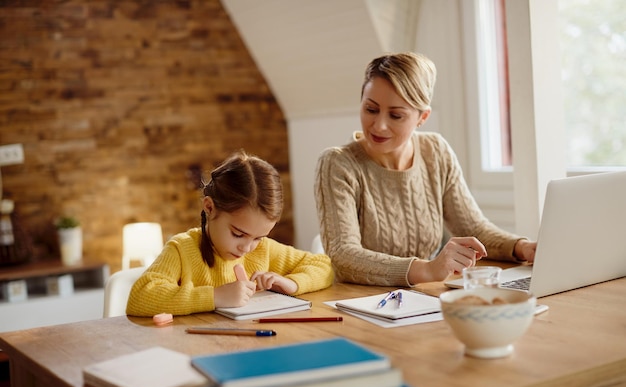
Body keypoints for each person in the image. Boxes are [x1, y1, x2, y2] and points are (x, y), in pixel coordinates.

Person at [314, 52, 536, 287]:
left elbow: (473, 229)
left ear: (422, 117)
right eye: (371, 109)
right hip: (361, 303)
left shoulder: (435, 151)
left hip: (422, 298)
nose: (379, 125)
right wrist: (427, 269)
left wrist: (522, 247)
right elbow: (343, 256)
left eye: (396, 115)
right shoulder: (337, 163)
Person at [127, 151, 334, 316]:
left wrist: (291, 283)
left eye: (258, 237)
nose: (247, 248)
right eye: (237, 234)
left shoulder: (263, 250)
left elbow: (324, 266)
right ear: (209, 208)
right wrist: (214, 296)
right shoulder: (182, 249)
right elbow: (140, 297)